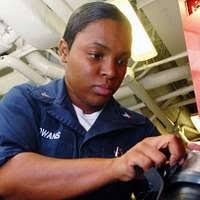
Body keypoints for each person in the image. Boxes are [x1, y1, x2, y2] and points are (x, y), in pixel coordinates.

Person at [0, 2, 191, 200]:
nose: (111, 71)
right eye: (96, 55)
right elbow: (6, 179)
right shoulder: (26, 102)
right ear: (64, 51)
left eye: (121, 61)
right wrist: (116, 166)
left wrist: (185, 168)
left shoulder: (140, 130)